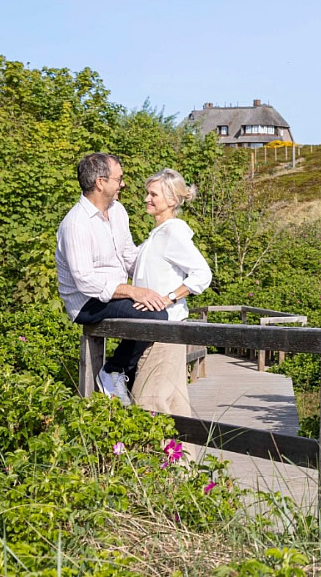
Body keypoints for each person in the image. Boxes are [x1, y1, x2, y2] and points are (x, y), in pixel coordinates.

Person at [56, 152, 172, 404]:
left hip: (111, 293)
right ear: (100, 182)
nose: (123, 184)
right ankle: (113, 371)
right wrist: (132, 291)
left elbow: (129, 256)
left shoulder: (117, 211)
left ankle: (123, 384)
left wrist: (162, 272)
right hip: (86, 302)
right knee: (155, 315)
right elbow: (84, 280)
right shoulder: (76, 224)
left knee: (161, 306)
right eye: (119, 179)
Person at [127, 168, 213, 417]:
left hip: (166, 330)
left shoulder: (173, 233)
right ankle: (185, 457)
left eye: (153, 194)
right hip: (153, 329)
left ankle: (154, 456)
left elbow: (202, 274)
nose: (146, 199)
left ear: (172, 200)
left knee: (148, 402)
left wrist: (169, 297)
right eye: (147, 193)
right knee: (174, 404)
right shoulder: (155, 236)